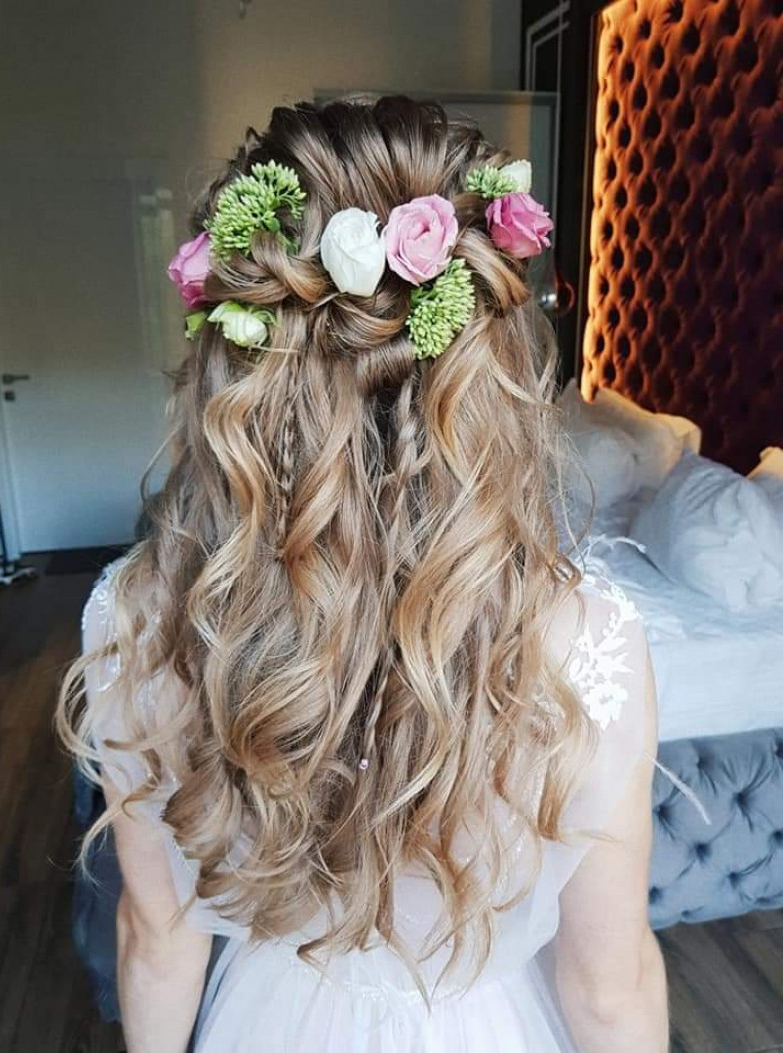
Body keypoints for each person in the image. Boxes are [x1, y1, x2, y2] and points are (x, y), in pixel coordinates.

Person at [57, 95, 668, 1052]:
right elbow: (607, 988)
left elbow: (154, 937)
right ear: (494, 371)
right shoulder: (590, 644)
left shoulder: (137, 619)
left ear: (231, 369)